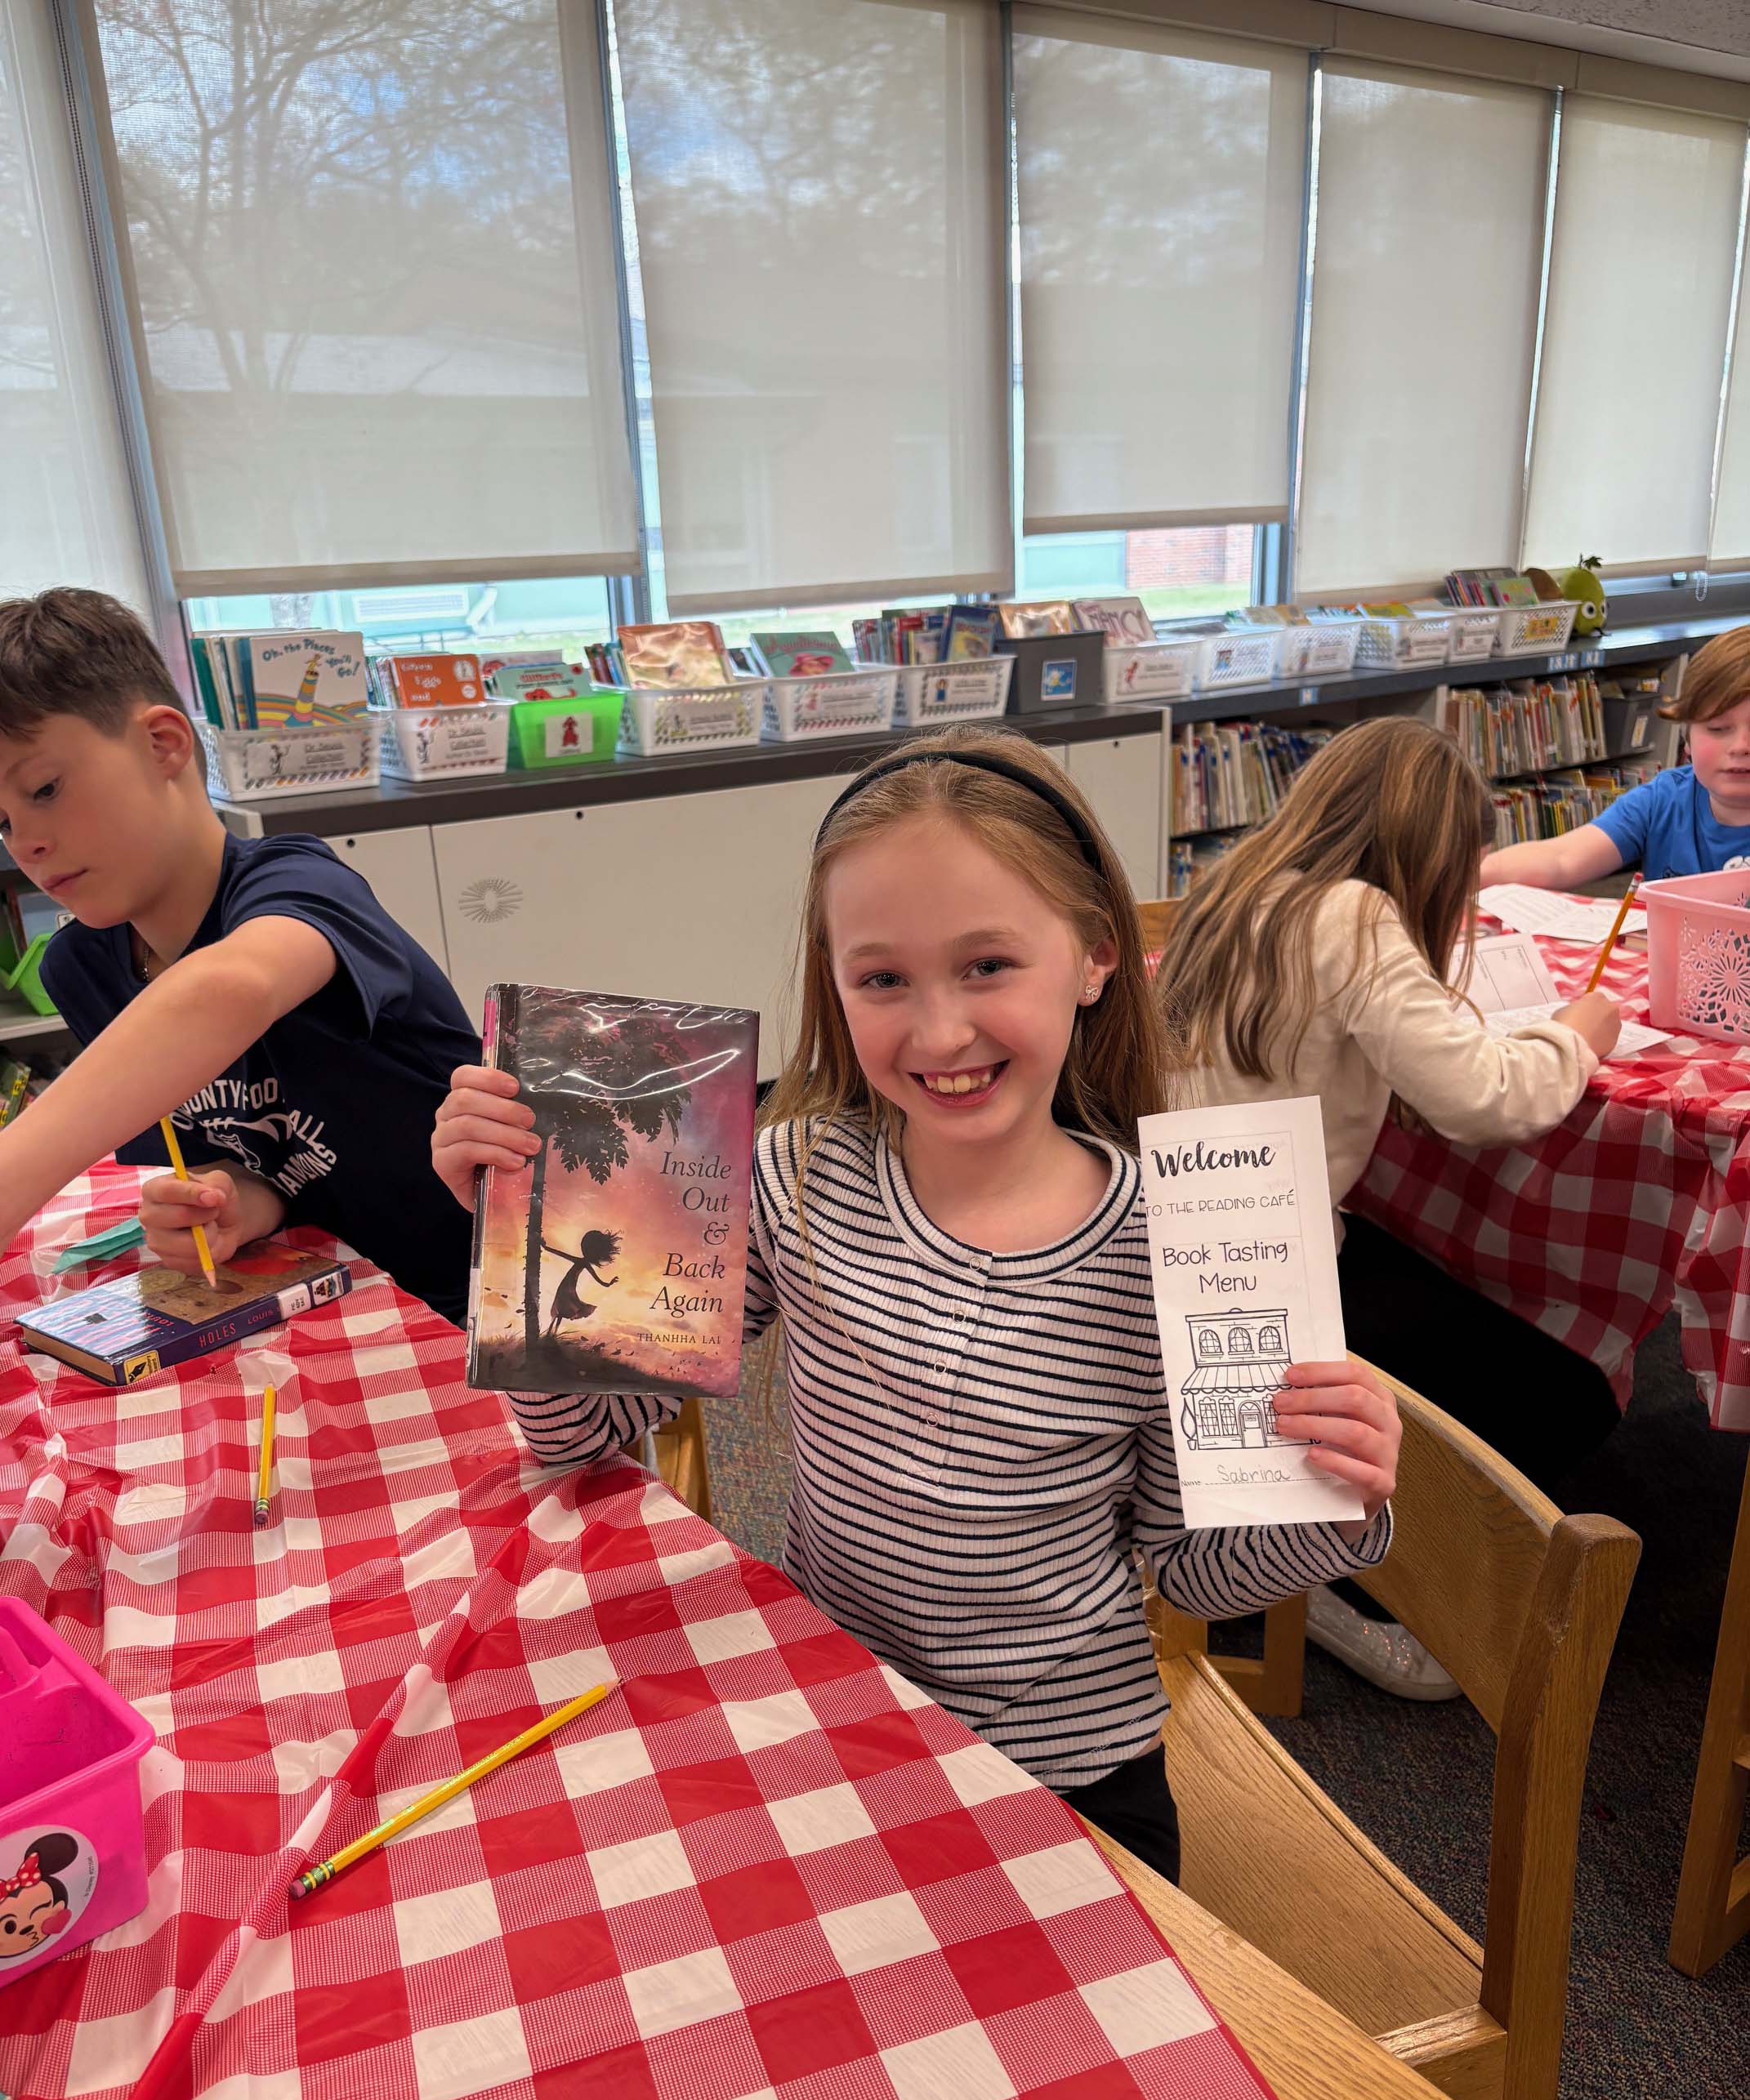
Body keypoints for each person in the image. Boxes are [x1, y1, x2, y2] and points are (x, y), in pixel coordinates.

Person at [431, 727, 1402, 1884]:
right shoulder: (793, 1177)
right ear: (833, 984)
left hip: (1070, 1773)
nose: (939, 1033)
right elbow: (584, 1438)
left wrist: (1324, 1500)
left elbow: (1189, 1575)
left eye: (987, 966)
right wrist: (525, 1251)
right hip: (835, 1720)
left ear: (1097, 958)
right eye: (883, 978)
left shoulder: (1183, 1247)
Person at [1157, 716, 1620, 1699]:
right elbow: (1485, 1099)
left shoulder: (1240, 882)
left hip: (1195, 1238)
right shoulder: (1356, 915)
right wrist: (1582, 1034)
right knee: (1565, 1397)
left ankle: (1301, 1532)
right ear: (1426, 852)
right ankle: (1347, 1577)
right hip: (1261, 1270)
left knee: (1426, 1279)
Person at [0, 588, 479, 1322]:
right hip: (327, 1303)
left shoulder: (303, 886)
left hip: (474, 1298)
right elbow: (255, 1167)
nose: (25, 842)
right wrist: (232, 1202)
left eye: (45, 789)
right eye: (1, 822)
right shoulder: (82, 969)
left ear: (163, 743)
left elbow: (226, 989)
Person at [1480, 623, 1750, 887]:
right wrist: (1469, 876)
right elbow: (1561, 858)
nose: (1740, 746)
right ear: (1686, 737)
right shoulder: (1663, 801)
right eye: (1717, 729)